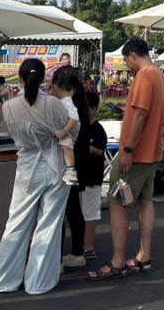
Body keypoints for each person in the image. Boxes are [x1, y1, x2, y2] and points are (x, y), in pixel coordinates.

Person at [0, 59, 71, 294]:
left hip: (26, 168)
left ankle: (4, 279)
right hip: (56, 165)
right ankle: (38, 281)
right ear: (43, 78)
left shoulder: (8, 107)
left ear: (20, 79)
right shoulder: (53, 104)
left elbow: (6, 131)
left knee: (17, 223)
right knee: (49, 224)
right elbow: (70, 132)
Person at [89, 38, 164, 280]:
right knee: (145, 201)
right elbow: (148, 111)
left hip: (137, 153)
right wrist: (128, 108)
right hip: (152, 151)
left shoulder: (144, 75)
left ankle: (118, 261)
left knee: (116, 201)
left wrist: (128, 149)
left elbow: (142, 114)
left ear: (133, 55)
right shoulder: (160, 76)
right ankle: (143, 256)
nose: (127, 65)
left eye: (126, 60)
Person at [51, 66, 91, 268]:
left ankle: (57, 258)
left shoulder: (66, 106)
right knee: (73, 208)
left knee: (62, 209)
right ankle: (77, 252)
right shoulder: (81, 104)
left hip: (67, 165)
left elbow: (64, 135)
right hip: (78, 162)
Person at [78, 91, 107, 262]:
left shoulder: (98, 129)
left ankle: (89, 247)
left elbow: (99, 150)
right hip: (79, 176)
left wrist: (81, 146)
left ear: (93, 109)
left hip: (92, 177)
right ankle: (81, 245)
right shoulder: (79, 126)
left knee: (90, 213)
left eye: (84, 107)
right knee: (80, 213)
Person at [47, 70, 81, 187]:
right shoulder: (62, 100)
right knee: (66, 147)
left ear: (55, 87)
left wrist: (64, 131)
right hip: (66, 130)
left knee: (66, 147)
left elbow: (74, 117)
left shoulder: (67, 101)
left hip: (68, 131)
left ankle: (71, 171)